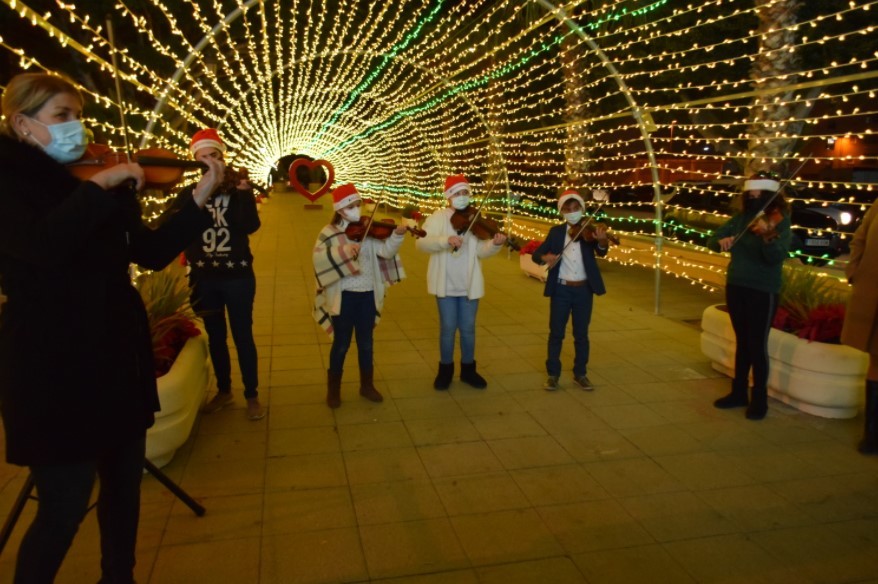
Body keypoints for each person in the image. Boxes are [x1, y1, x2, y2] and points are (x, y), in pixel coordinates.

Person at [0, 72, 218, 583]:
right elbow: (44, 247)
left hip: (116, 356)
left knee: (123, 492)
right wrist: (100, 185)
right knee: (65, 502)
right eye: (62, 116)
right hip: (51, 365)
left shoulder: (97, 178)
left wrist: (199, 198)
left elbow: (148, 250)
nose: (78, 128)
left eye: (79, 115)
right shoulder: (9, 182)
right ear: (22, 124)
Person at [174, 129, 265, 421]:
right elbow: (171, 227)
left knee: (243, 336)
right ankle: (224, 391)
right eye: (203, 158)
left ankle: (252, 394)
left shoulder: (236, 188)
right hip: (203, 278)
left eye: (215, 156)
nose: (210, 162)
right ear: (195, 161)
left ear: (222, 158)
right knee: (215, 337)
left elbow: (250, 226)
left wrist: (244, 193)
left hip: (238, 276)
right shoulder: (188, 193)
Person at [706, 171, 792, 420]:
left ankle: (760, 399)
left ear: (770, 196)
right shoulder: (740, 218)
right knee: (742, 341)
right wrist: (721, 241)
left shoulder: (780, 220)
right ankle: (738, 392)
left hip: (763, 289)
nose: (754, 199)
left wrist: (767, 235)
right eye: (750, 195)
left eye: (759, 195)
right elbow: (712, 239)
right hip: (736, 285)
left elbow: (775, 257)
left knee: (757, 344)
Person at [312, 183, 407, 408]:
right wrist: (344, 251)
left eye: (358, 204)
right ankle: (333, 390)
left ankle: (367, 386)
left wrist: (397, 237)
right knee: (341, 344)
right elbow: (318, 259)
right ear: (341, 209)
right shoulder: (329, 232)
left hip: (367, 294)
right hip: (343, 297)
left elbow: (385, 252)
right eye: (351, 206)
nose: (357, 210)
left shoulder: (368, 229)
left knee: (366, 344)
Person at [415, 174, 506, 390]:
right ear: (449, 196)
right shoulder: (438, 217)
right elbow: (421, 243)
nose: (462, 197)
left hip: (468, 285)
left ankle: (468, 370)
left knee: (468, 329)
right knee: (447, 328)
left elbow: (482, 252)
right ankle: (445, 370)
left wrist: (494, 244)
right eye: (458, 193)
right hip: (445, 285)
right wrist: (444, 240)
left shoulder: (474, 218)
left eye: (465, 193)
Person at [531, 189, 608, 392]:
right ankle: (553, 374)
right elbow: (537, 254)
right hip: (561, 290)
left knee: (581, 334)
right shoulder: (556, 232)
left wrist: (601, 241)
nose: (572, 212)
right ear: (561, 211)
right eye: (567, 209)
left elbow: (602, 251)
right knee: (556, 333)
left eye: (575, 209)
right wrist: (544, 257)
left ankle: (580, 374)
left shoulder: (588, 231)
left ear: (582, 209)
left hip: (584, 290)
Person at [840, 201, 878, 454]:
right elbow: (860, 238)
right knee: (876, 362)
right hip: (873, 293)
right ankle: (872, 435)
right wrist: (854, 270)